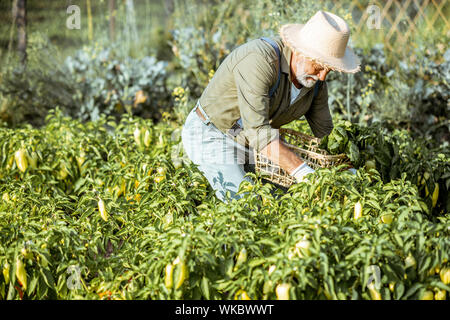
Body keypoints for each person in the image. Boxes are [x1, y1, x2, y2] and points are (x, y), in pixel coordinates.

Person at [181, 10, 361, 202]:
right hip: (213, 134)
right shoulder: (260, 59)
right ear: (300, 50)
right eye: (319, 65)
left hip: (251, 145)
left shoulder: (315, 84)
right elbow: (258, 131)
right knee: (247, 205)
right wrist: (303, 172)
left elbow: (326, 135)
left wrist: (346, 167)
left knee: (284, 203)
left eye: (330, 69)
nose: (322, 76)